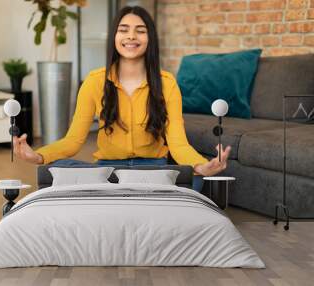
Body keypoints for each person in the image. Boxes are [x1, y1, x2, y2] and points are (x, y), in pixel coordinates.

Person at [13, 5, 231, 192]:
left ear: (150, 38)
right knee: (57, 168)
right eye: (123, 30)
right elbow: (73, 141)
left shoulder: (167, 83)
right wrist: (39, 156)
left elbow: (178, 144)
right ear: (114, 37)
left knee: (195, 178)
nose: (131, 37)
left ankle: (116, 199)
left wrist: (201, 166)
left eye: (140, 31)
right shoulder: (94, 81)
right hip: (109, 170)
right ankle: (135, 199)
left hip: (153, 170)